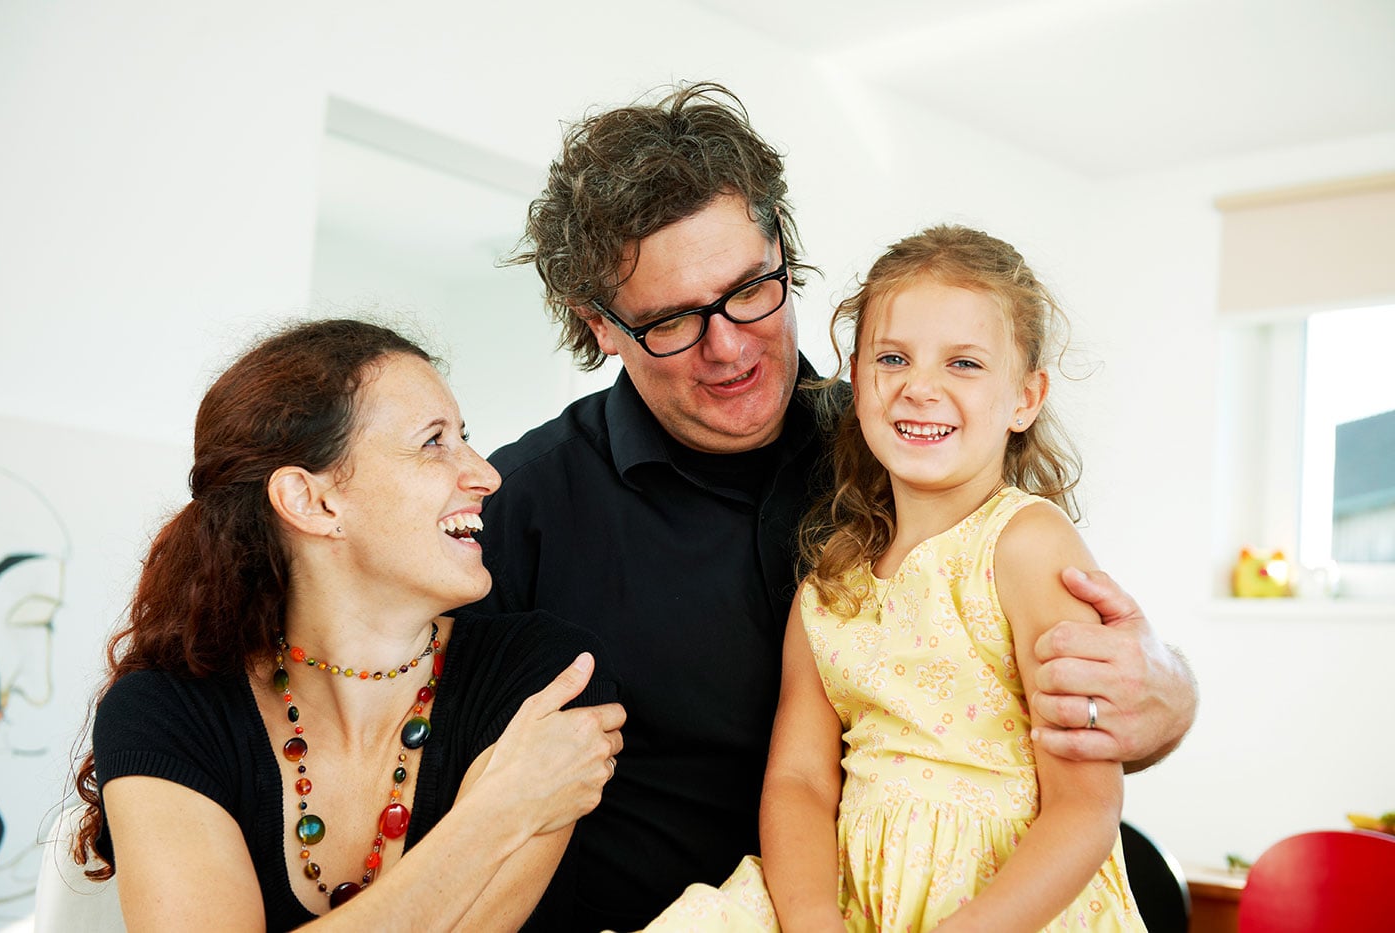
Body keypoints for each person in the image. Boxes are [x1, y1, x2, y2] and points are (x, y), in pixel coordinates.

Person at [480, 82, 1196, 931]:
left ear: (784, 253)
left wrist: (1171, 692)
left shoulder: (910, 451)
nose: (728, 344)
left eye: (751, 288)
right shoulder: (516, 509)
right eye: (673, 320)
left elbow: (1086, 733)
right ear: (600, 324)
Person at [642, 225, 1146, 931]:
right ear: (856, 377)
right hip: (852, 897)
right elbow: (799, 781)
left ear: (1025, 398)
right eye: (893, 357)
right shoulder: (829, 585)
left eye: (964, 363)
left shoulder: (1028, 545)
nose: (920, 387)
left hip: (1001, 910)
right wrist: (813, 919)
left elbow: (1086, 807)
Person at [69, 319, 626, 931]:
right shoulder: (165, 712)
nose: (487, 475)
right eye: (434, 442)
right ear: (312, 502)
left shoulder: (547, 675)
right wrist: (504, 810)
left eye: (464, 437)